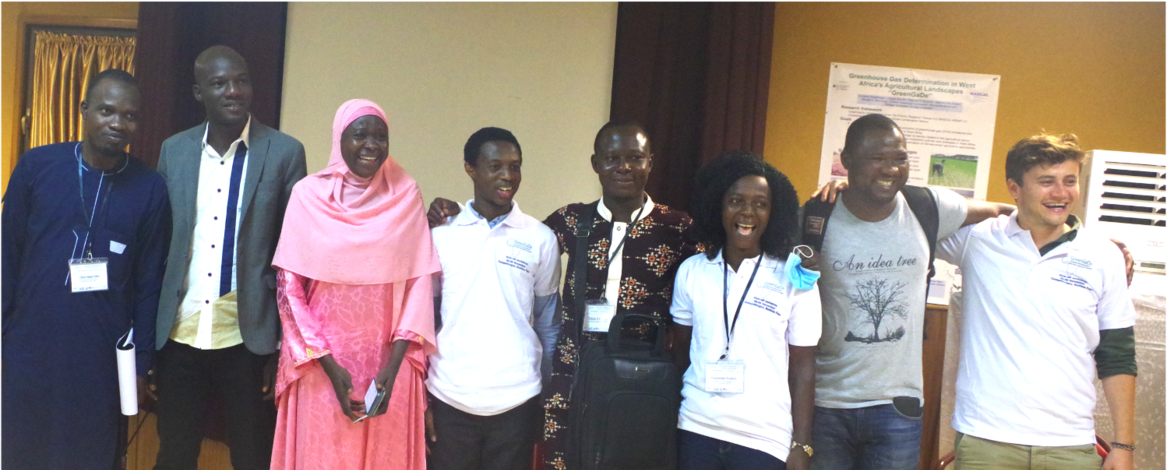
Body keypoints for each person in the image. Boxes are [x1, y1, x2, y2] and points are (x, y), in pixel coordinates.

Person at [428, 120, 702, 470]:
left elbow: (716, 278)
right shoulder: (569, 221)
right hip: (572, 381)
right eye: (613, 158)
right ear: (596, 164)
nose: (624, 167)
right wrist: (443, 215)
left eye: (635, 158)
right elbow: (514, 247)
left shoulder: (677, 227)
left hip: (641, 384)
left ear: (651, 161)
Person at [805, 114, 1012, 470]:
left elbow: (1002, 211)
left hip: (897, 407)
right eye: (877, 159)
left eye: (900, 158)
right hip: (827, 404)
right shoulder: (814, 217)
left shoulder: (926, 206)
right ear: (848, 161)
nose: (891, 169)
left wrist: (1081, 237)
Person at [0, 69, 170, 470]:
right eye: (107, 110)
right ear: (84, 110)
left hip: (100, 359)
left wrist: (142, 361)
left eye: (129, 115)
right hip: (30, 349)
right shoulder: (38, 166)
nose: (117, 123)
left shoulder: (149, 188)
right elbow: (6, 256)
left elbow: (149, 283)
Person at [937, 134, 1136, 470]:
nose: (1060, 193)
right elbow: (907, 215)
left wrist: (1123, 446)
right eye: (1047, 182)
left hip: (1069, 444)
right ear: (1014, 187)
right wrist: (845, 192)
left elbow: (1118, 356)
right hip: (986, 440)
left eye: (1069, 181)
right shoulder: (979, 239)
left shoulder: (1104, 255)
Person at [153, 45, 307, 470]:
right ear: (198, 92)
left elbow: (292, 255)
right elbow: (163, 242)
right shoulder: (174, 150)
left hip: (247, 338)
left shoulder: (285, 152)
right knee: (175, 454)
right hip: (181, 334)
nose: (234, 91)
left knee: (253, 456)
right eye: (220, 83)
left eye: (241, 80)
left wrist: (281, 343)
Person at [269, 99, 439, 470]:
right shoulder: (307, 196)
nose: (371, 145)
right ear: (338, 138)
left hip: (389, 367)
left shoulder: (405, 194)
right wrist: (330, 366)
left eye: (381, 136)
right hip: (319, 366)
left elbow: (419, 285)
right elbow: (289, 289)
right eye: (360, 135)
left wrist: (393, 367)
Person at [670, 151, 820, 470]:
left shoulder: (795, 277)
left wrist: (802, 446)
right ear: (719, 205)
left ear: (773, 212)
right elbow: (681, 353)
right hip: (697, 429)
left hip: (764, 438)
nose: (747, 212)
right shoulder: (692, 271)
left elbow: (804, 368)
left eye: (760, 203)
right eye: (736, 200)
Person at [426, 127, 561, 470]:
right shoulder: (442, 234)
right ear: (470, 168)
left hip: (517, 401)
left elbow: (548, 324)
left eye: (515, 166)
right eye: (495, 166)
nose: (508, 176)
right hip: (449, 397)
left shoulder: (540, 238)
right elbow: (424, 318)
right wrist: (420, 393)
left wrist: (545, 396)